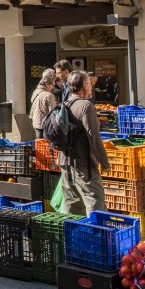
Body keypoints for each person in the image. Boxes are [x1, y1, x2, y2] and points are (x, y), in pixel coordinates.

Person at [56, 70, 109, 215]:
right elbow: (94, 137)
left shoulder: (64, 104)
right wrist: (104, 162)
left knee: (72, 206)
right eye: (90, 84)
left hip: (65, 162)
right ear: (85, 85)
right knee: (95, 203)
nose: (91, 87)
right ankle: (95, 236)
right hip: (83, 164)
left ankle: (71, 235)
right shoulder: (86, 106)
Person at [29, 69, 57, 139]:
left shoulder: (36, 92)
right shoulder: (49, 95)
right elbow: (52, 112)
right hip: (46, 124)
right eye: (52, 84)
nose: (53, 87)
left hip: (36, 123)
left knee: (39, 144)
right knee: (46, 145)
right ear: (47, 84)